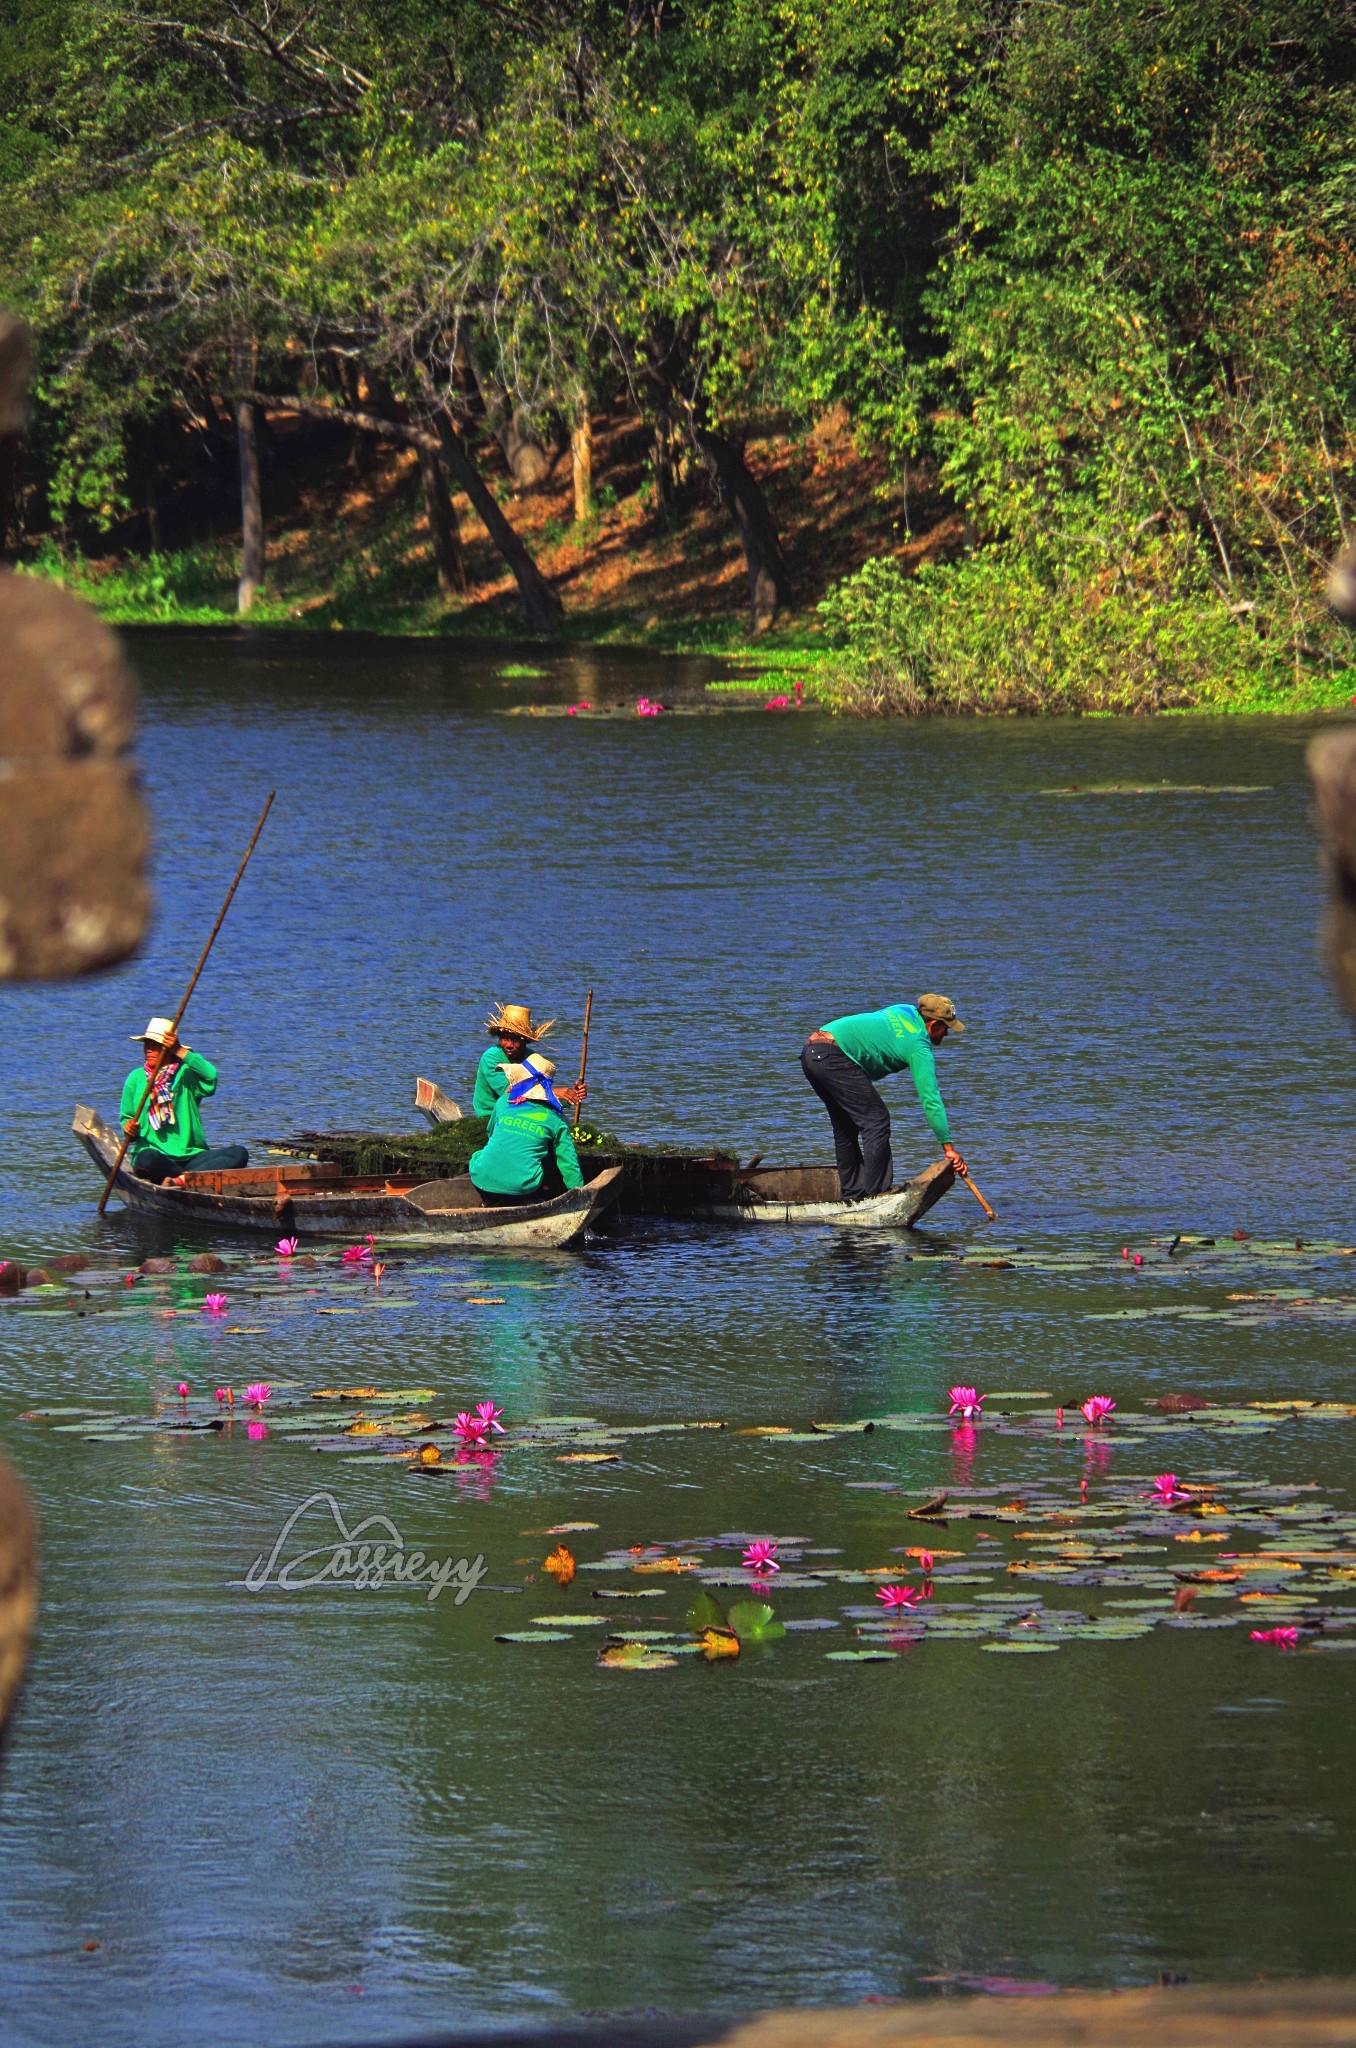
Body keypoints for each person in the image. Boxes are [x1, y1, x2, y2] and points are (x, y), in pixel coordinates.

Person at [800, 993, 969, 1202]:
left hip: (812, 1052)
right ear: (934, 1025)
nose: (947, 1034)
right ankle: (875, 1197)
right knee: (876, 1120)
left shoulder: (904, 1010)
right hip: (833, 1056)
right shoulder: (918, 1045)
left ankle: (852, 1195)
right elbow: (930, 1098)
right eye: (946, 1028)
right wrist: (948, 1148)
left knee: (845, 1125)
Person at [120, 1017, 250, 1185]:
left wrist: (180, 1050)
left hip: (192, 1157)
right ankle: (188, 1178)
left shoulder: (186, 1074)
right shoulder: (135, 1079)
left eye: (156, 1045)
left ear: (169, 1049)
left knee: (239, 1154)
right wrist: (129, 1128)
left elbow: (211, 1075)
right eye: (147, 1045)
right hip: (158, 1158)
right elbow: (126, 1119)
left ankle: (181, 1180)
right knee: (146, 1160)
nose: (149, 1050)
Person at [469, 1059, 585, 1206]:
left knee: (480, 1156)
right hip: (522, 1188)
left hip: (480, 1180)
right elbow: (569, 1164)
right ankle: (528, 1199)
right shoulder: (555, 1119)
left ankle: (490, 1200)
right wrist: (580, 1195)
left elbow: (490, 1132)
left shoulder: (504, 1101)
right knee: (549, 1159)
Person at [473, 1001, 586, 1117]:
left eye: (515, 1039)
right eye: (504, 1038)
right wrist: (554, 1092)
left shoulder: (532, 1059)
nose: (509, 1044)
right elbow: (510, 1093)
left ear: (524, 1040)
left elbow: (541, 1093)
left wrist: (571, 1095)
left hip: (521, 1112)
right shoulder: (491, 1057)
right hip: (491, 1116)